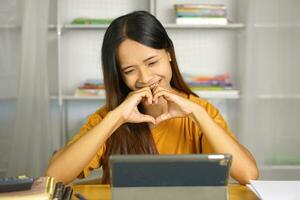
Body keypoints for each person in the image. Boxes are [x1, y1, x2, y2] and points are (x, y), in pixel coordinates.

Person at [46, 11, 259, 185]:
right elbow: (54, 178)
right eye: (130, 70)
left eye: (151, 62)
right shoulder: (108, 117)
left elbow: (249, 175)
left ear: (169, 54)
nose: (145, 78)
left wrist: (196, 113)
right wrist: (117, 117)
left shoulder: (201, 111)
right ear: (119, 75)